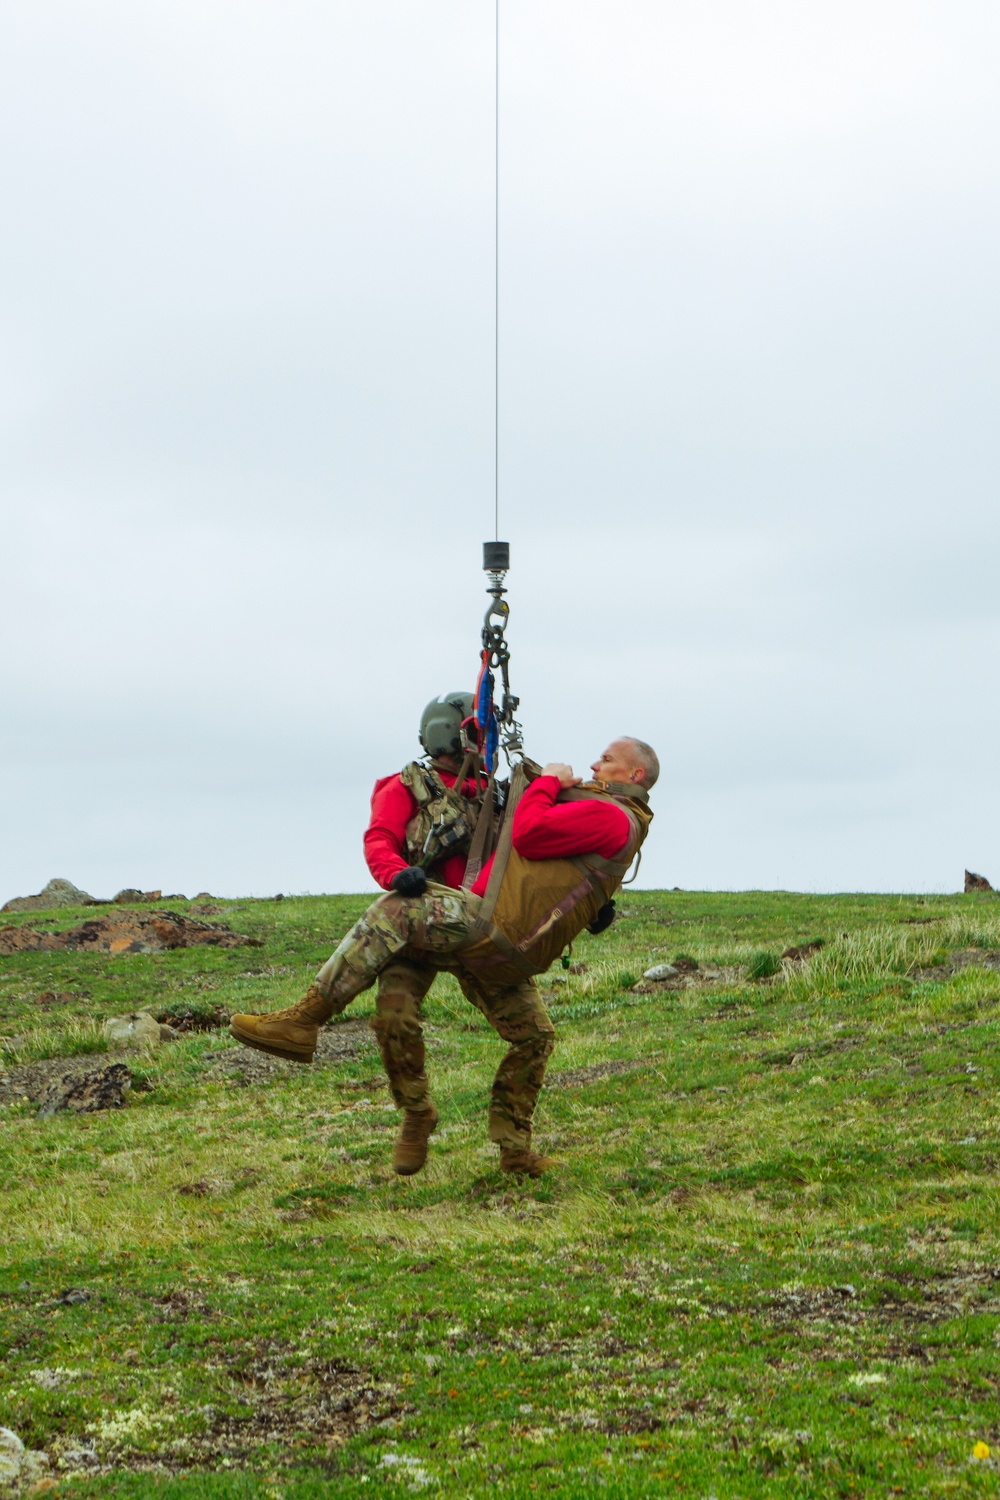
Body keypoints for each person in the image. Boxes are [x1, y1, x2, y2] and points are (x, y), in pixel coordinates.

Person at [230, 736, 658, 1178]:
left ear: (634, 775)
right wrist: (398, 870)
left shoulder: (597, 812)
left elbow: (528, 833)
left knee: (393, 911)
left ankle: (303, 1021)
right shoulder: (413, 787)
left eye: (606, 759)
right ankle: (471, 1135)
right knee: (515, 1033)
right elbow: (384, 839)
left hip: (476, 923)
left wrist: (547, 782)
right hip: (482, 931)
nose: (593, 763)